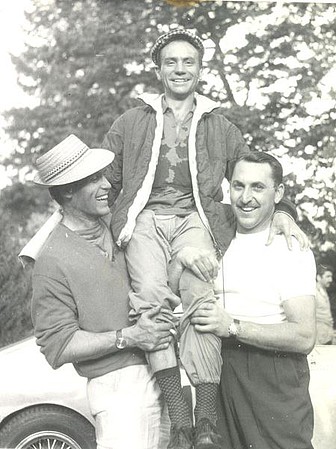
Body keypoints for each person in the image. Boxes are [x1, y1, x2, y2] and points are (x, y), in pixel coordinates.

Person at [102, 28, 308, 449]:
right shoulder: (130, 121)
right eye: (171, 62)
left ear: (200, 68)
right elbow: (105, 182)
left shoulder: (221, 126)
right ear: (158, 69)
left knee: (202, 295)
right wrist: (91, 231)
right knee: (150, 300)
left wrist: (284, 212)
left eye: (188, 62)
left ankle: (206, 420)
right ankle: (180, 421)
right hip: (145, 219)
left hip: (196, 218)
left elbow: (255, 175)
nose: (180, 69)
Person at [27, 134, 174, 449]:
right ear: (67, 191)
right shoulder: (51, 260)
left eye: (103, 175)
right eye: (93, 179)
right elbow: (59, 345)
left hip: (170, 372)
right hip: (121, 389)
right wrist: (129, 337)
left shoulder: (121, 221)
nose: (107, 184)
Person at [189, 152, 317, 449]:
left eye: (258, 187)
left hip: (273, 372)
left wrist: (232, 326)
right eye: (238, 186)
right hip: (218, 370)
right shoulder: (214, 233)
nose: (245, 198)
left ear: (279, 193)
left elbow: (304, 335)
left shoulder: (289, 247)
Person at [315, 265, 334, 344]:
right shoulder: (313, 292)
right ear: (319, 277)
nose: (331, 280)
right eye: (328, 276)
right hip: (318, 339)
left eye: (331, 277)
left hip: (327, 335)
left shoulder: (323, 290)